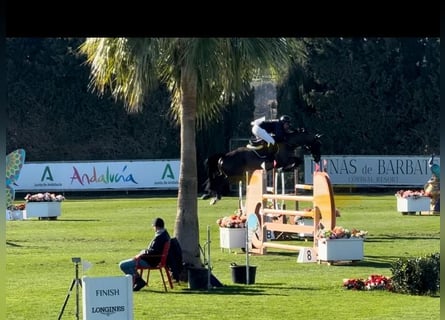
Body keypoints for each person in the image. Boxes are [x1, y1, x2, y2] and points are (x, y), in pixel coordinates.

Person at [119, 217, 171, 291]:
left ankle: (138, 281)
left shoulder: (160, 237)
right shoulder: (165, 235)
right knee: (128, 265)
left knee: (123, 265)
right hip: (152, 259)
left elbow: (152, 251)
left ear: (156, 226)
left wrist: (141, 254)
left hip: (149, 261)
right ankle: (138, 280)